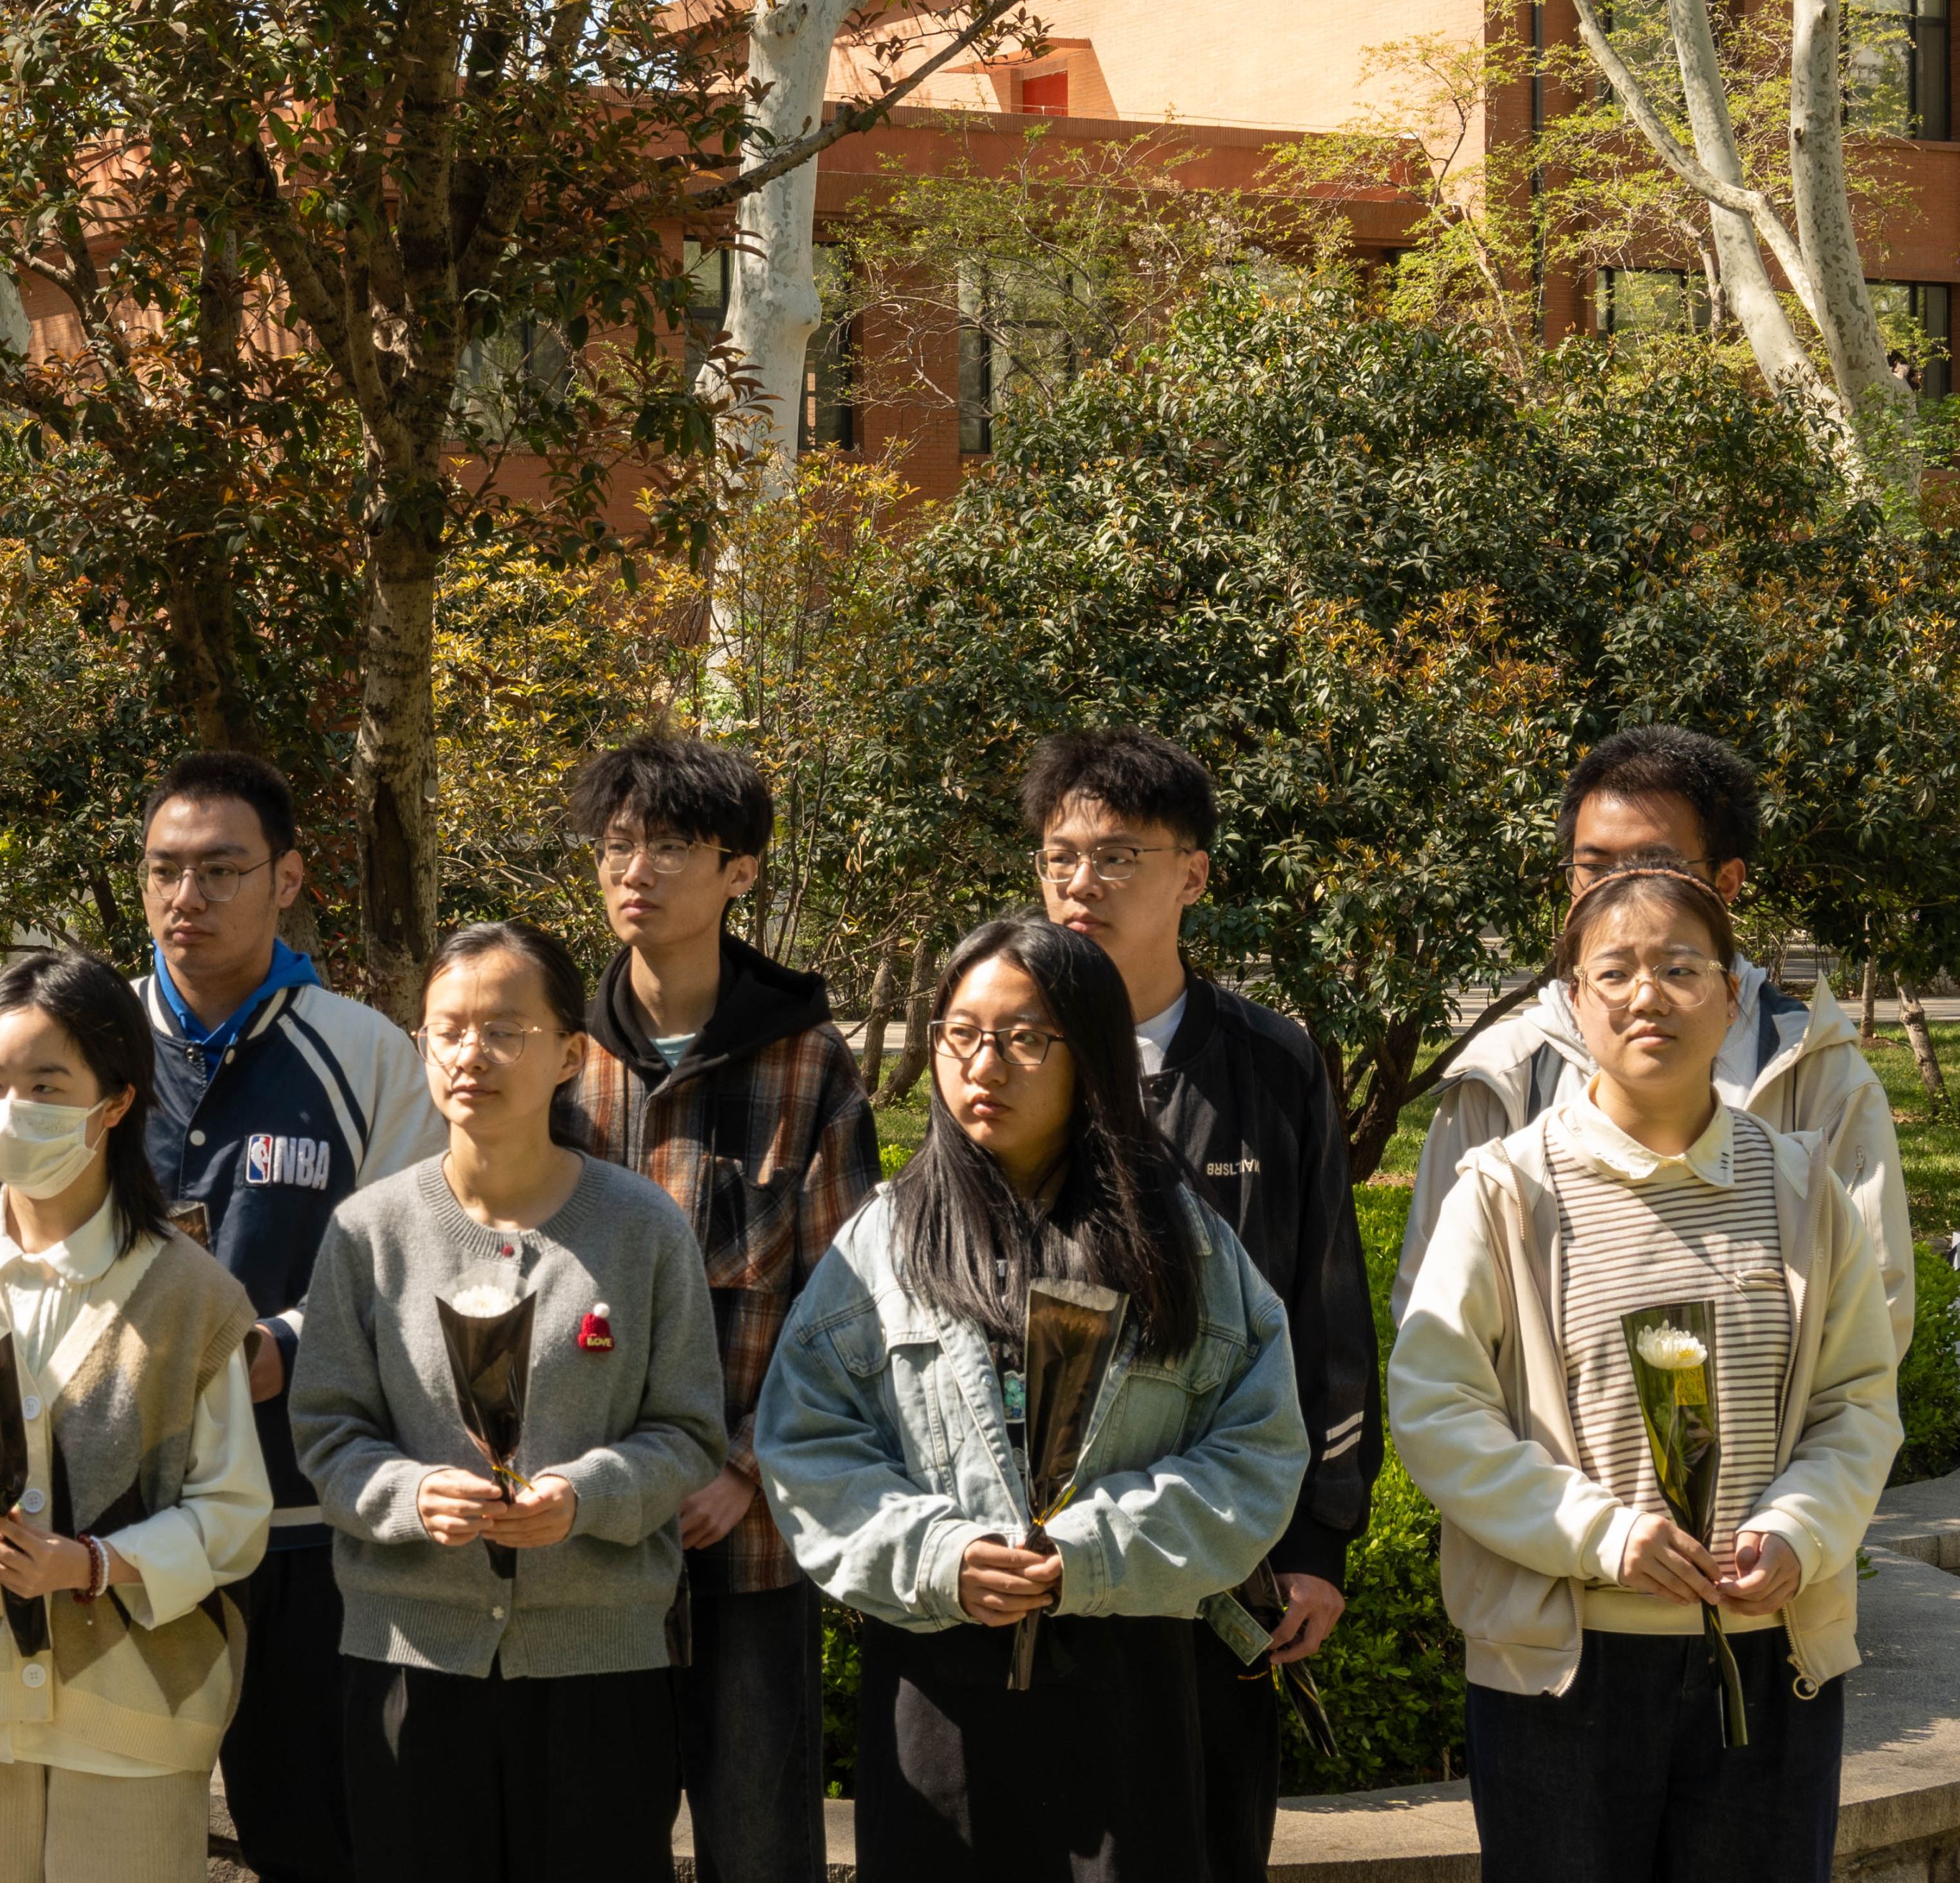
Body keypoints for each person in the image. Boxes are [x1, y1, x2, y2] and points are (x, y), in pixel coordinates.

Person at [756, 917, 1305, 1883]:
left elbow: (1257, 1448)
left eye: (1022, 1039)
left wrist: (1093, 1552)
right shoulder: (883, 1244)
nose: (984, 1066)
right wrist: (941, 1556)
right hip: (940, 1684)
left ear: (1088, 1052)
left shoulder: (1181, 1242)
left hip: (1133, 1676)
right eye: (960, 1035)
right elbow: (808, 1448)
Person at [1390, 870, 1900, 1882]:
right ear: (1573, 1002)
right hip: (1563, 1664)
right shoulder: (1506, 1190)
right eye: (1614, 972)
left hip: (1765, 1646)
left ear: (1731, 995)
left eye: (1679, 969)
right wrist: (1604, 1535)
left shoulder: (1803, 1190)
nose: (1646, 997)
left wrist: (1799, 1531)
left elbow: (1856, 1401)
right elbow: (1437, 1407)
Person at [290, 922, 727, 1883]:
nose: (470, 1055)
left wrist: (586, 1496)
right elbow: (325, 1431)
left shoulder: (640, 1228)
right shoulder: (369, 1232)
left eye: (504, 1031)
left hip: (598, 1666)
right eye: (447, 1031)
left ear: (569, 1054)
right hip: (410, 1657)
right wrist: (409, 1496)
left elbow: (690, 1430)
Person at [1019, 730, 1376, 1882]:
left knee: (1206, 1845)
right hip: (1035, 1557)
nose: (1082, 883)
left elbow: (1328, 1308)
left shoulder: (1270, 1063)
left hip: (1222, 1550)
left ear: (1195, 874)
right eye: (1061, 857)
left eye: (1118, 856)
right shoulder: (1003, 1053)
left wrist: (1317, 1542)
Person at [0, 950, 273, 1883]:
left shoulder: (193, 1296)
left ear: (116, 1102)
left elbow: (233, 1515)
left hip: (140, 1710)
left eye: (46, 1086)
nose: (11, 1108)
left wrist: (89, 1566)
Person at [561, 733, 880, 1883]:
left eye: (671, 847)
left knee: (760, 1843)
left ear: (740, 870)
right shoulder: (559, 1055)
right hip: (583, 1544)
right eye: (617, 845)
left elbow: (846, 1309)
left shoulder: (807, 1065)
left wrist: (745, 1464)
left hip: (746, 1544)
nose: (634, 870)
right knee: (595, 1843)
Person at [128, 749, 447, 1883]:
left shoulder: (364, 1053)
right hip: (122, 1519)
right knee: (122, 1831)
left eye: (222, 869)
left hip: (301, 1516)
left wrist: (289, 1345)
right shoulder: (96, 1039)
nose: (188, 896)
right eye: (165, 869)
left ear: (289, 878)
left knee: (309, 1829)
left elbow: (412, 1255)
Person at [1399, 726, 1909, 1346]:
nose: (1619, 891)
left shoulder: (1815, 1071)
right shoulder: (1503, 1077)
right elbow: (1439, 1321)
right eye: (1593, 868)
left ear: (1726, 882)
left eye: (1654, 866)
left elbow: (1873, 1314)